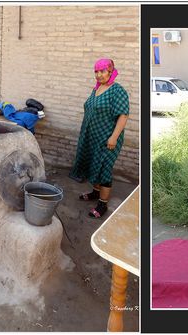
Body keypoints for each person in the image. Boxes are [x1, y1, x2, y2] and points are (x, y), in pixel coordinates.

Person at [70, 58, 130, 218]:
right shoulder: (97, 89)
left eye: (102, 71)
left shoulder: (117, 90)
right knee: (93, 165)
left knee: (104, 169)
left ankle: (102, 204)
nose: (99, 75)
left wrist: (114, 137)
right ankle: (95, 193)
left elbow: (123, 115)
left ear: (111, 71)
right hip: (92, 137)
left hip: (107, 139)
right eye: (96, 71)